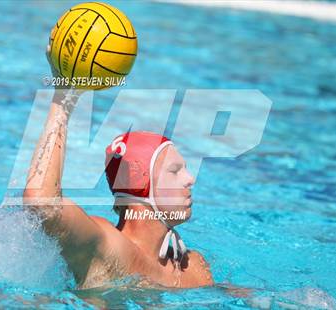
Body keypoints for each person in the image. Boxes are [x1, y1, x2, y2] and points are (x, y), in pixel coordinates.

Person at [22, 46, 214, 290]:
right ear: (139, 179)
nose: (190, 179)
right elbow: (41, 203)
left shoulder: (193, 268)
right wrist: (64, 97)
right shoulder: (106, 249)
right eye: (175, 171)